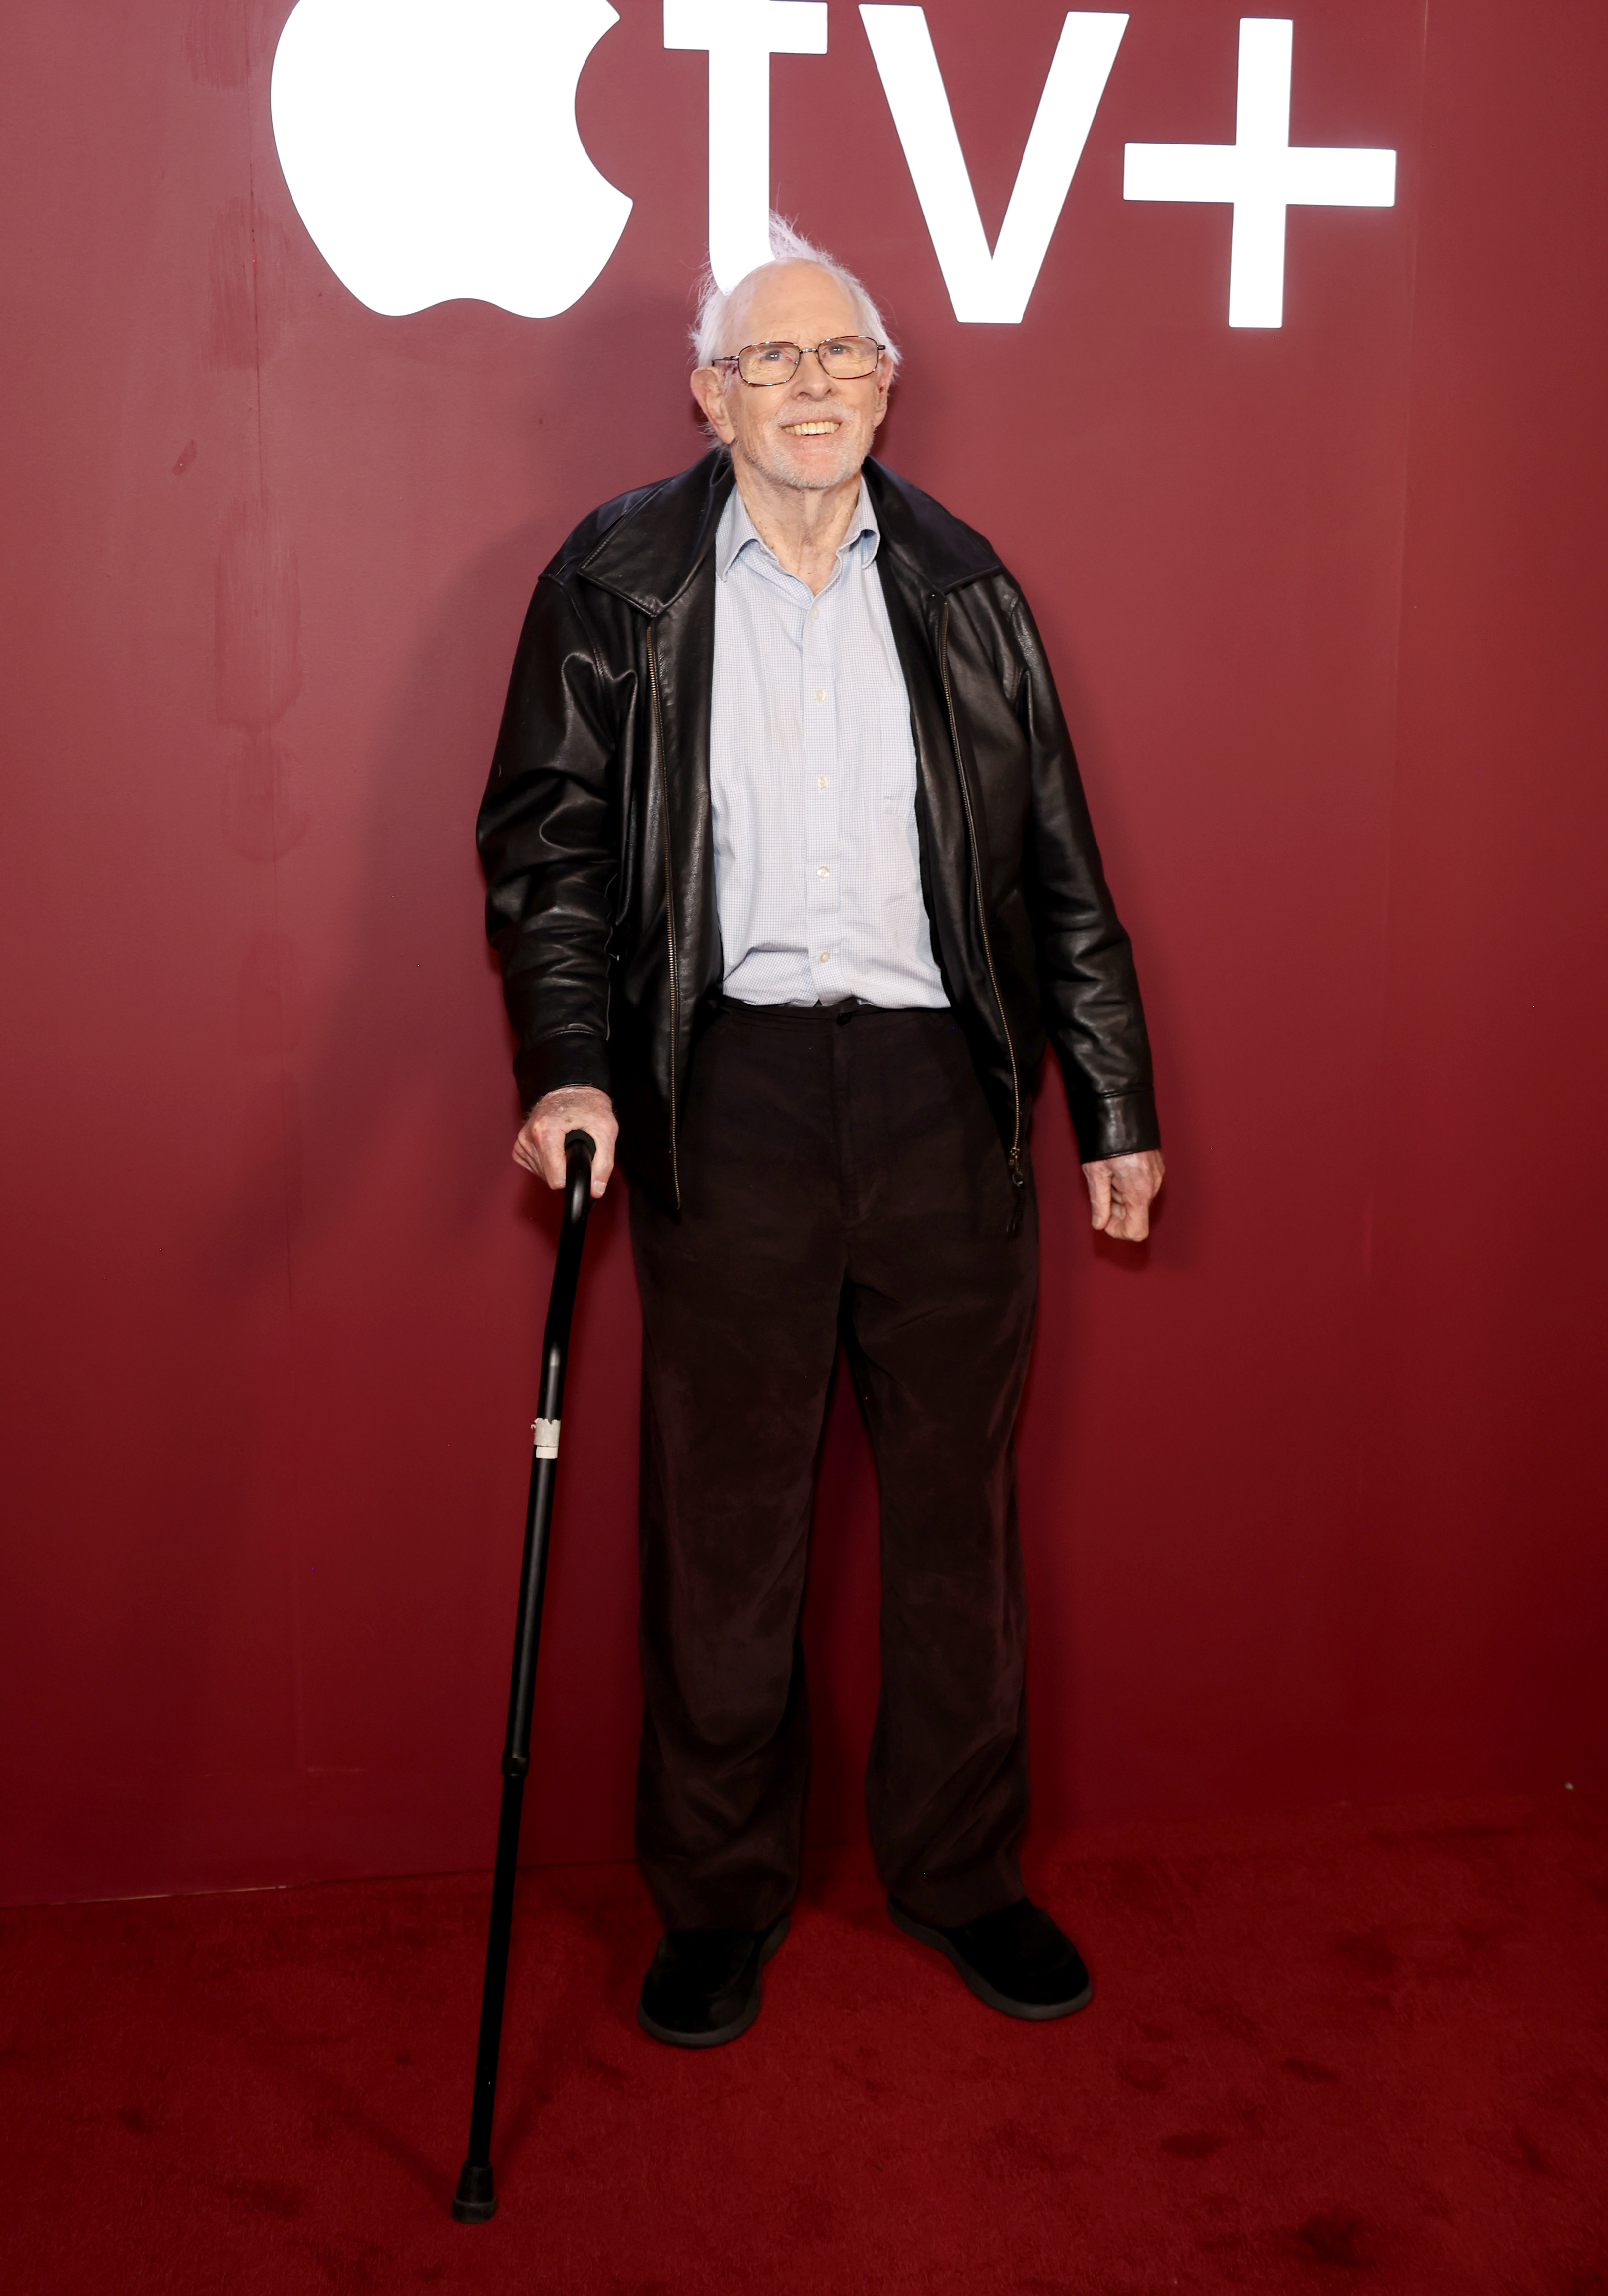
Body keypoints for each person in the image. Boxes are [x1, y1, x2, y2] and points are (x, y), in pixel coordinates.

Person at [477, 222, 1163, 2049]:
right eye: (770, 361)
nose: (808, 388)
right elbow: (547, 851)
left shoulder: (964, 588)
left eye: (840, 359)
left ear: (887, 388)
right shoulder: (617, 582)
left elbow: (1060, 872)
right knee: (728, 1534)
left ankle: (961, 1874)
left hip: (950, 1100)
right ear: (708, 394)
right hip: (735, 1099)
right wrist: (568, 1063)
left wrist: (1111, 1102)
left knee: (957, 1523)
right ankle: (715, 1903)